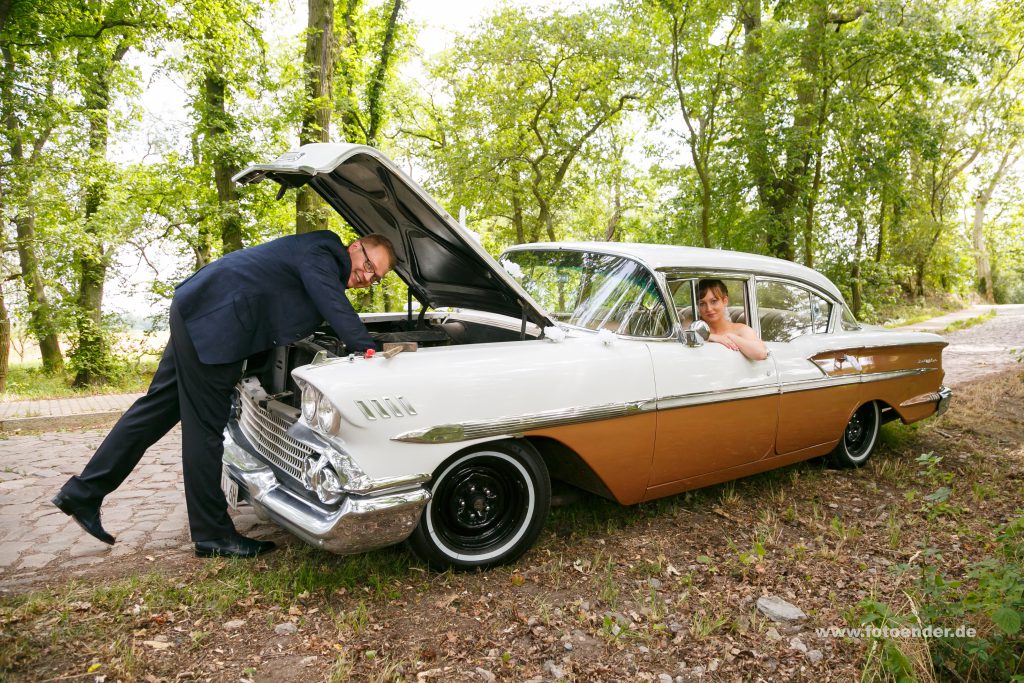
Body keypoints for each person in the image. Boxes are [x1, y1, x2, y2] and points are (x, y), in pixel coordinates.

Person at [52, 231, 397, 559]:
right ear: (354, 247)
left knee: (156, 409)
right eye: (369, 266)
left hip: (200, 310)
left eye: (377, 277)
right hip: (214, 324)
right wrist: (369, 351)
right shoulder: (325, 251)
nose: (368, 277)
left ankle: (82, 493)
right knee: (204, 429)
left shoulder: (323, 260)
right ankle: (212, 535)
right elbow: (333, 304)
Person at [697, 279, 768, 361]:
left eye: (713, 301)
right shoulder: (695, 327)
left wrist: (730, 336)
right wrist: (710, 336)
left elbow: (761, 354)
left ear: (725, 301)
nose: (709, 309)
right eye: (702, 304)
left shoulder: (740, 330)